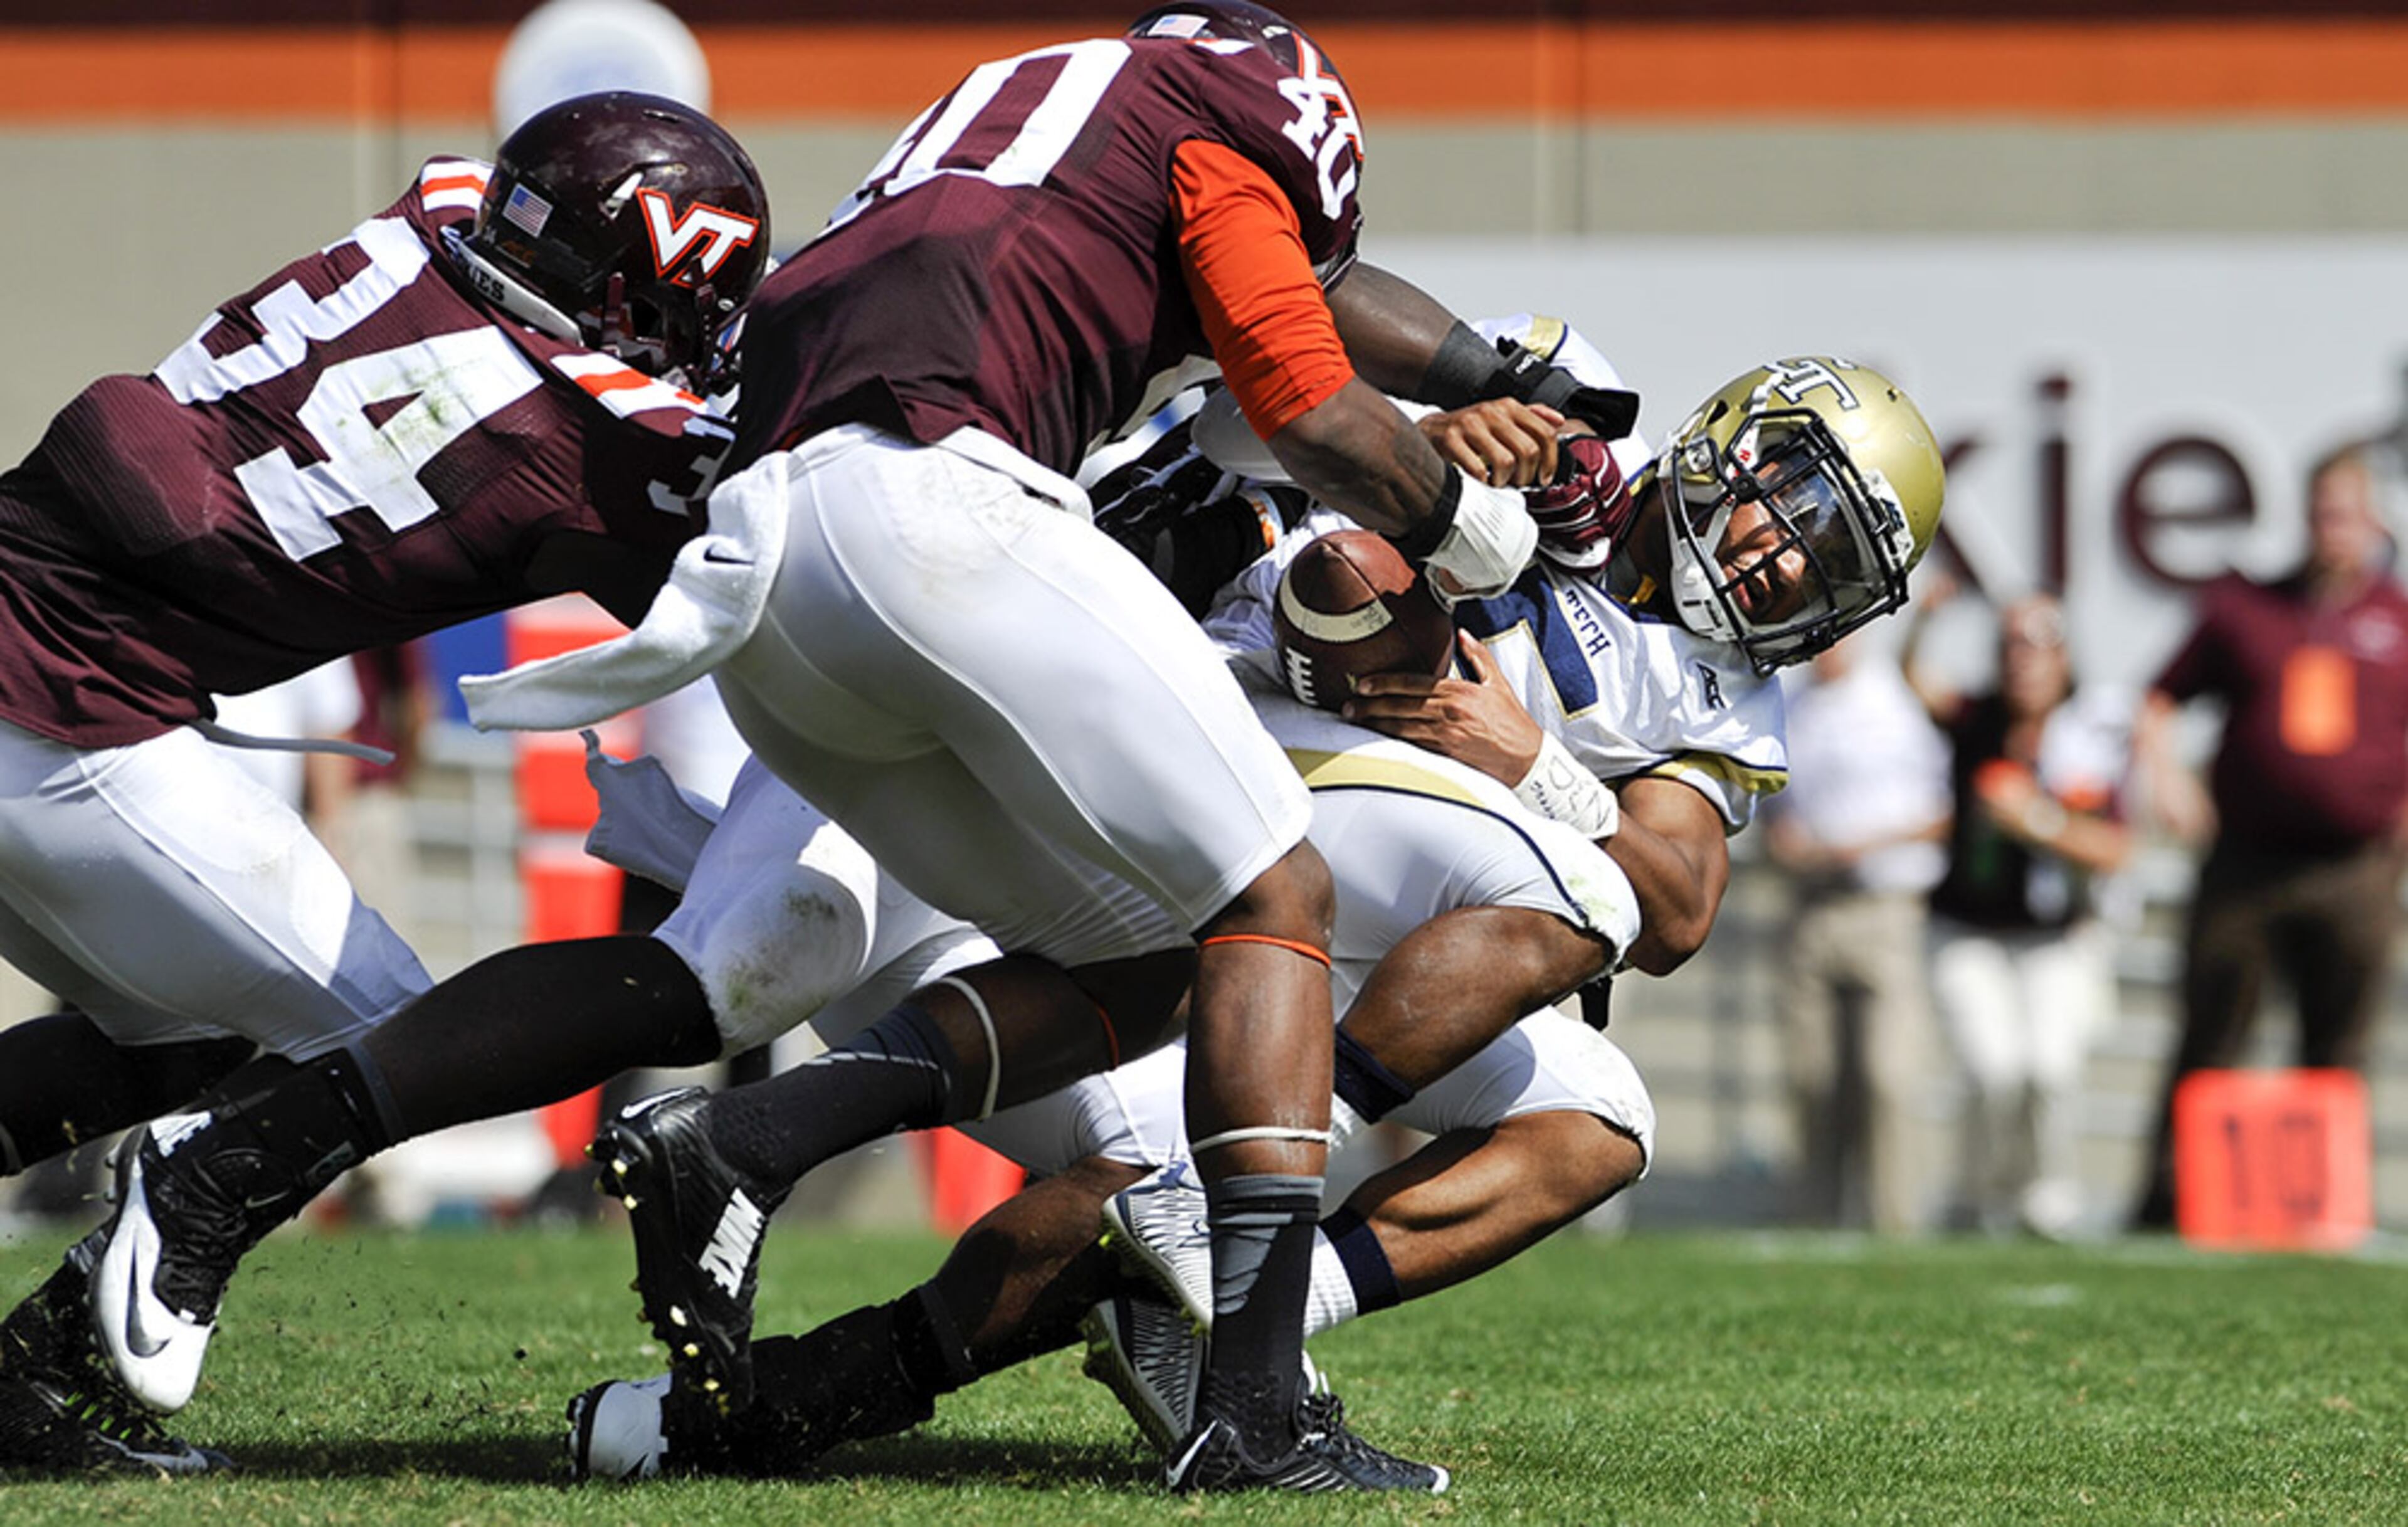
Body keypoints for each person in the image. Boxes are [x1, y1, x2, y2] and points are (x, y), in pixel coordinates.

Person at [557, 334, 1948, 1480]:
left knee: (1595, 1116)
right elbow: (1330, 573)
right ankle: (1233, 1277)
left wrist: (1530, 757)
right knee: (1553, 892)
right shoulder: (1549, 425)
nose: (1787, 568)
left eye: (1836, 569)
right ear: (1731, 444)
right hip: (1168, 800)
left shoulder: (1723, 695)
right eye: (1801, 512)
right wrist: (1456, 484)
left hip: (1337, 908)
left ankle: (756, 1408)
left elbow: (1679, 902)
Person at [0, 90, 769, 1474]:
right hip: (60, 705)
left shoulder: (424, 219)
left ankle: (20, 1383)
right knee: (379, 1033)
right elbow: (735, 543)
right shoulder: (584, 450)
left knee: (190, 1033)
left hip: (41, 639)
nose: (688, 346)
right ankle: (57, 1343)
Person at [2128, 440, 2408, 1230]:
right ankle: (2165, 1205)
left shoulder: (2397, 619)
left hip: (2355, 868)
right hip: (2248, 864)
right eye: (2324, 512)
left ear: (2375, 520)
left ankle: (2324, 1208)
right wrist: (2169, 778)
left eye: (2349, 513)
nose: (2335, 528)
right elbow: (2158, 699)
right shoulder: (2247, 609)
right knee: (2211, 1033)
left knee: (2338, 1047)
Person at [1906, 588, 2134, 1238]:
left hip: (2059, 932)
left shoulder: (2092, 733)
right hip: (1967, 928)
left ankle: (2045, 1195)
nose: (2023, 662)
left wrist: (2034, 818)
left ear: (2064, 658)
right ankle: (1977, 1196)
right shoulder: (1977, 718)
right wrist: (1924, 623)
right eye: (2011, 647)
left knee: (2050, 1067)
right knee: (1993, 1067)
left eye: (2037, 647)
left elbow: (2115, 847)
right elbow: (1916, 680)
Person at [1761, 631, 1951, 1234]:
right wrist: (1783, 839)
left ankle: (1895, 1220)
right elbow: (1771, 799)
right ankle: (1813, 1219)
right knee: (1813, 1075)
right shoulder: (1790, 702)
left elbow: (1941, 815)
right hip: (1811, 906)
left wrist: (1861, 846)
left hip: (1884, 907)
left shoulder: (1896, 704)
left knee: (1886, 1075)